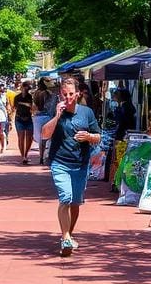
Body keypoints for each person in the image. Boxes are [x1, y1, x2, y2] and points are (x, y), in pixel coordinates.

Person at [42, 77, 102, 257]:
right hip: (60, 162)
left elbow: (98, 136)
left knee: (75, 202)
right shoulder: (56, 111)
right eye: (64, 94)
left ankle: (69, 234)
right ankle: (65, 237)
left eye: (70, 94)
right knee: (65, 197)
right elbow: (44, 134)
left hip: (80, 163)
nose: (67, 97)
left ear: (77, 94)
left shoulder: (86, 113)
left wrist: (89, 137)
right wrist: (57, 116)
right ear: (60, 94)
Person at [13, 80, 34, 165]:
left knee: (30, 138)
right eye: (26, 87)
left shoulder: (30, 97)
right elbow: (15, 108)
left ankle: (26, 154)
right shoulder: (17, 97)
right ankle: (23, 156)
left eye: (28, 88)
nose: (27, 89)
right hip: (19, 119)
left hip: (28, 118)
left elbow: (32, 107)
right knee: (21, 137)